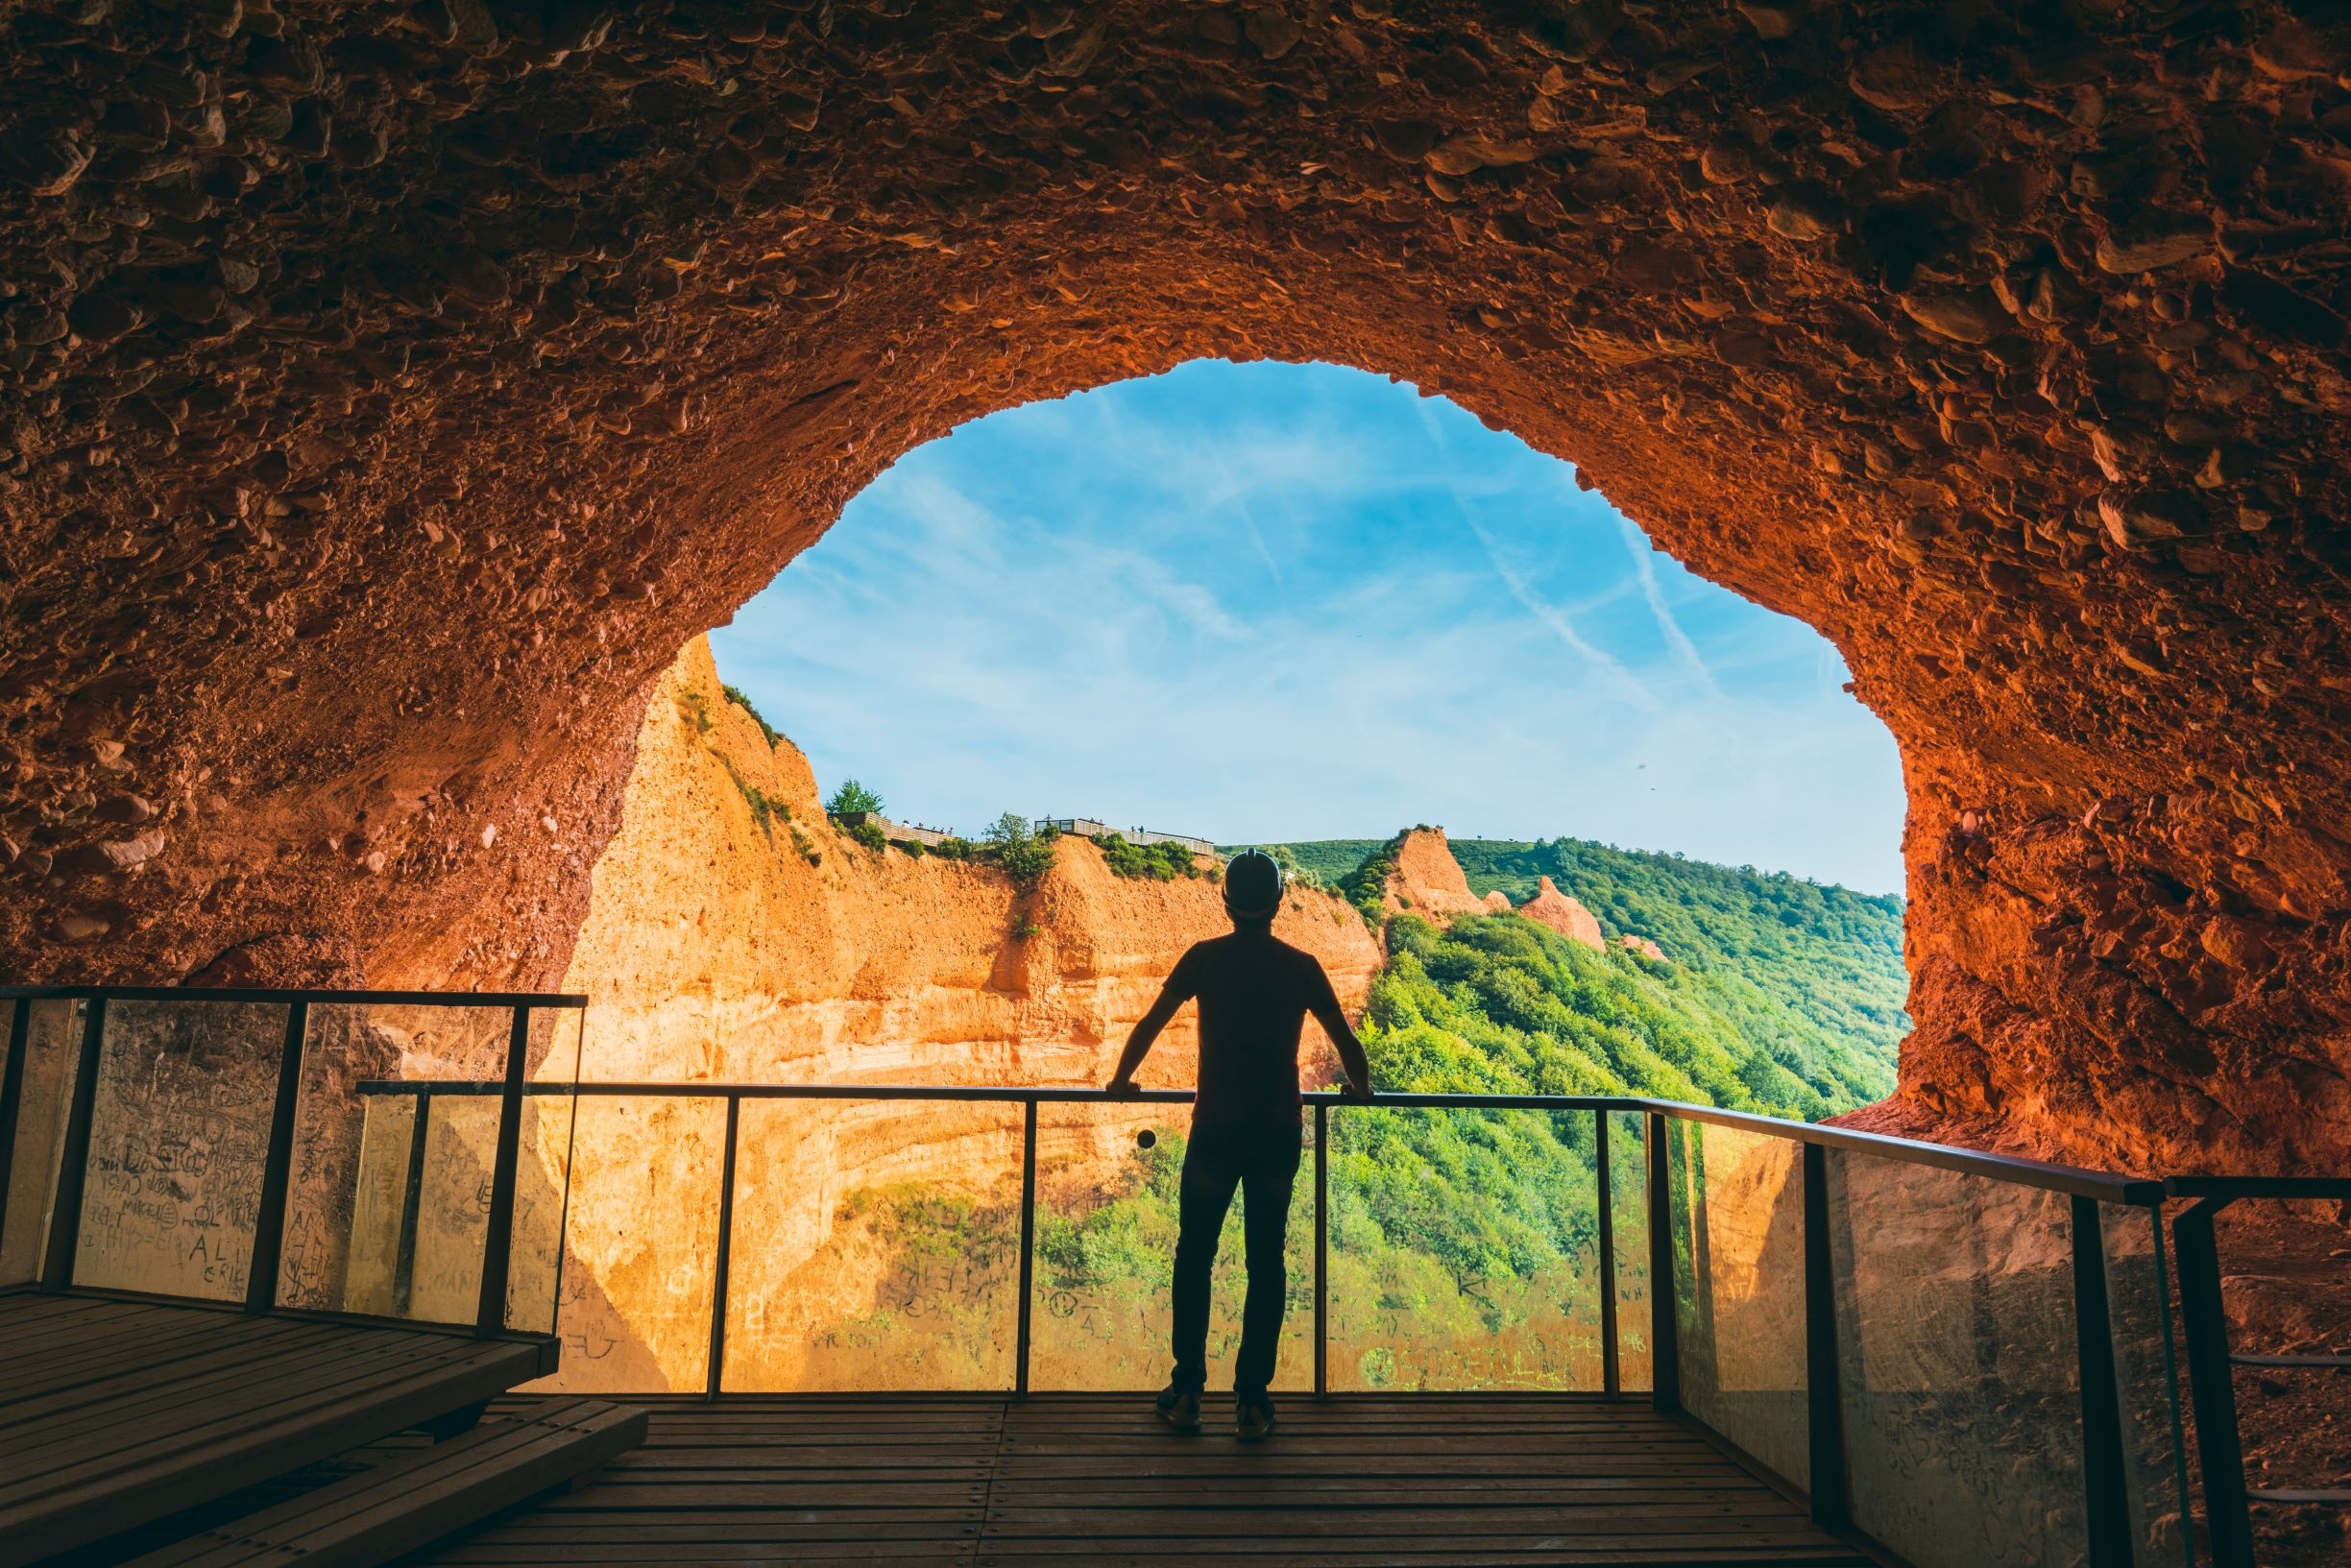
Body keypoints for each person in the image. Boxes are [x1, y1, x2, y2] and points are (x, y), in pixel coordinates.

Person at [1105, 848, 1373, 1443]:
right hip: (1278, 1133)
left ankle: (1187, 1394)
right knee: (1266, 1264)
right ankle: (1252, 1402)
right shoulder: (1302, 966)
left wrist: (1122, 1081)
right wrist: (1360, 1091)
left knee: (1194, 1256)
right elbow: (1348, 1045)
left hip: (1216, 1131)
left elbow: (1150, 1023)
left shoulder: (1204, 960)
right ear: (1279, 904)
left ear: (1225, 902)